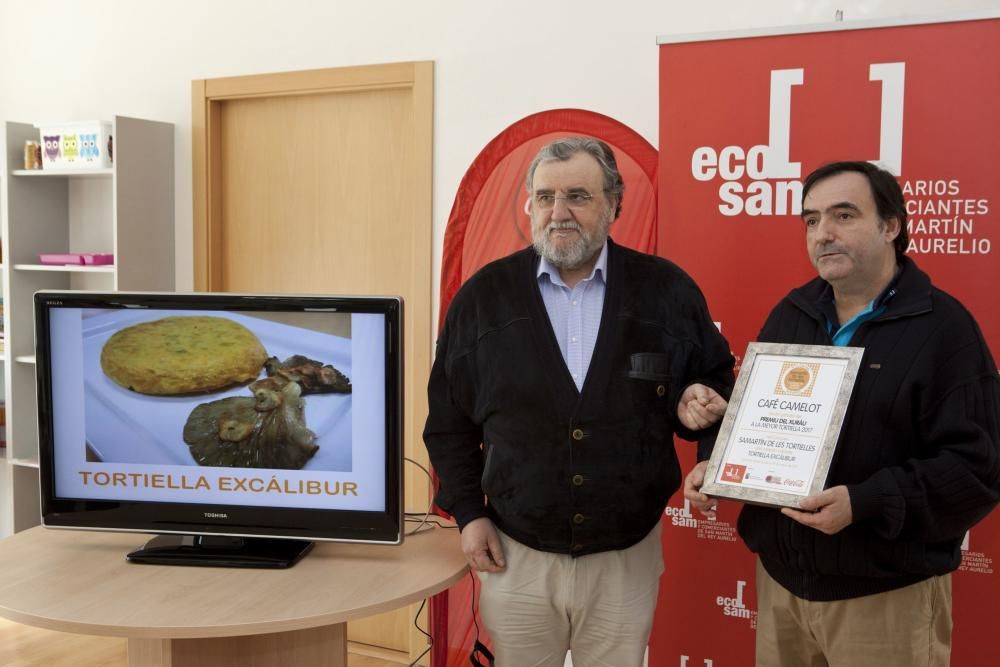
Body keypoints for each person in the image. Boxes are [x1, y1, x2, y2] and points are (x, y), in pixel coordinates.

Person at [425, 136, 735, 666]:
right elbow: (449, 421)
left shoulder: (667, 292)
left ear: (614, 205)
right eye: (544, 197)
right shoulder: (483, 298)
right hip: (517, 553)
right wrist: (468, 513)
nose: (559, 212)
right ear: (529, 206)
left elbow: (712, 385)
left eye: (578, 196)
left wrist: (702, 422)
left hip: (626, 556)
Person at [685, 161, 1000, 667]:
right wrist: (716, 462)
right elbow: (758, 423)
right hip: (783, 589)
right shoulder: (792, 313)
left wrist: (865, 502)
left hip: (883, 599)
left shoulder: (945, 329)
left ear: (891, 226)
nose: (823, 234)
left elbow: (977, 469)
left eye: (844, 215)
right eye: (811, 221)